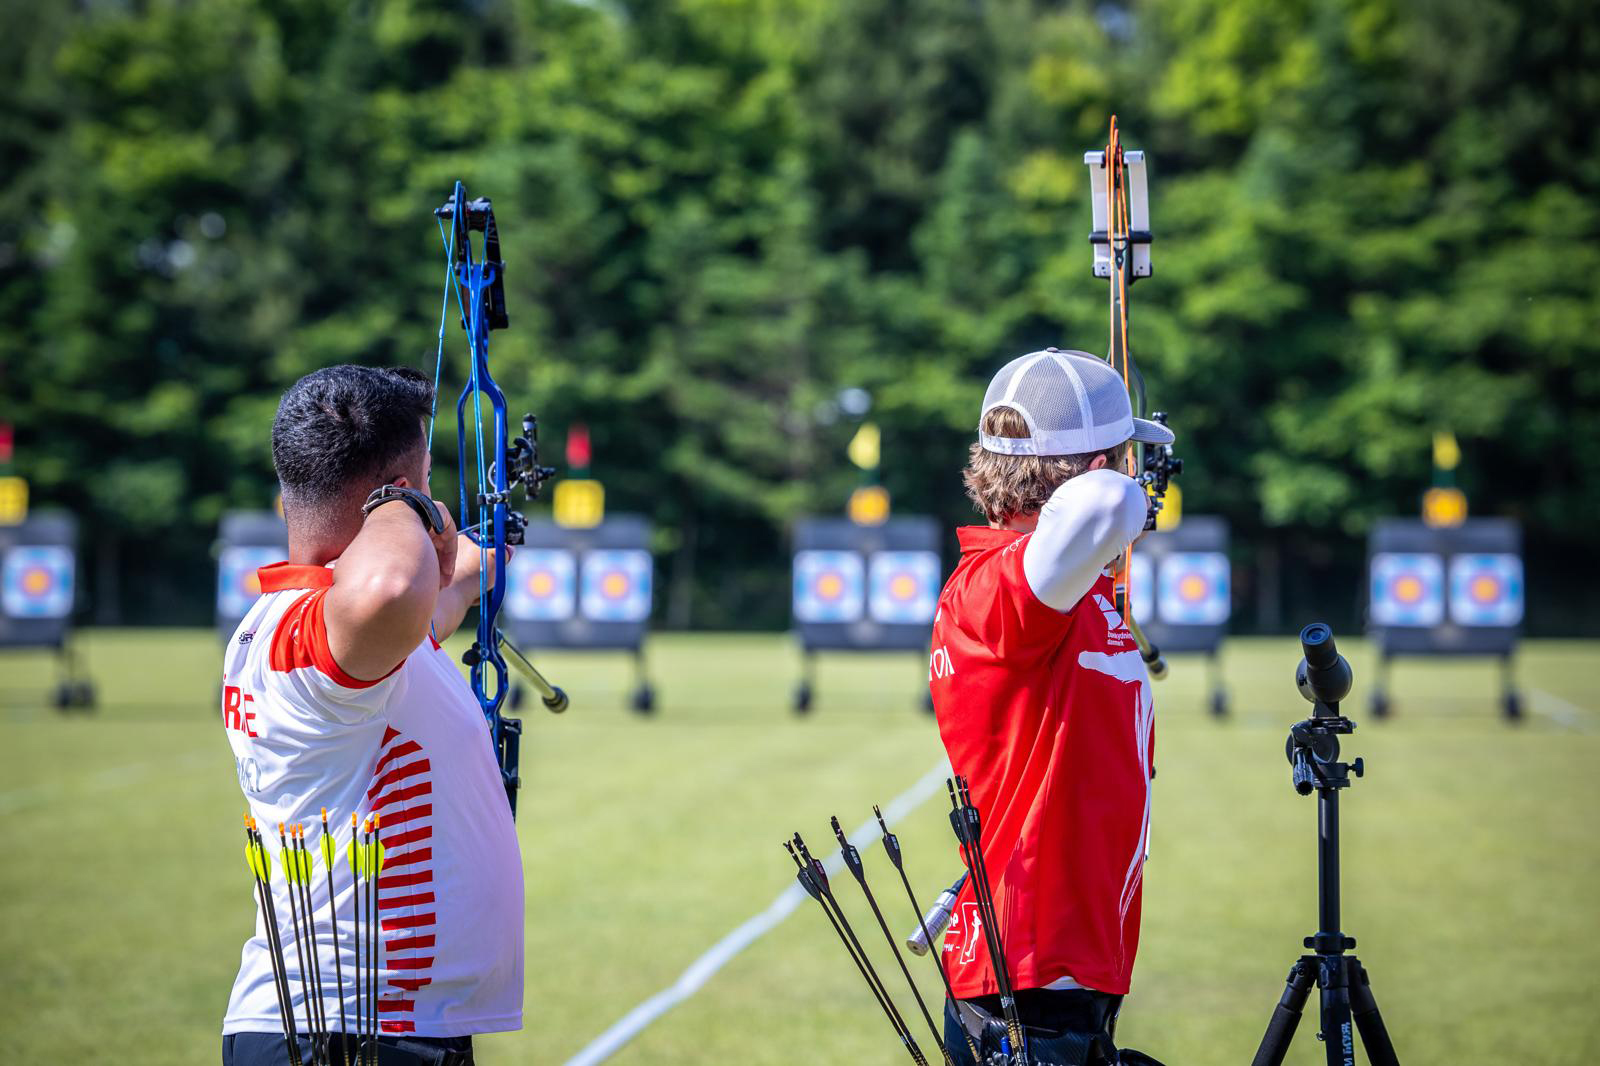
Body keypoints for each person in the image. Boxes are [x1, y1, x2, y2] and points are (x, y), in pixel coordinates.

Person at [220, 365, 520, 1066]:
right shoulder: (308, 641)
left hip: (381, 1027)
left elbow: (431, 602)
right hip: (344, 1032)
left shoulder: (338, 639)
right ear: (400, 489)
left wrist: (484, 554)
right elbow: (389, 587)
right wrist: (406, 505)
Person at [930, 348, 1174, 1066]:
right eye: (1126, 458)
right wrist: (1118, 490)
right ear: (1092, 467)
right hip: (1028, 975)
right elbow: (1104, 507)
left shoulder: (1062, 594)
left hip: (1070, 965)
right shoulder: (998, 592)